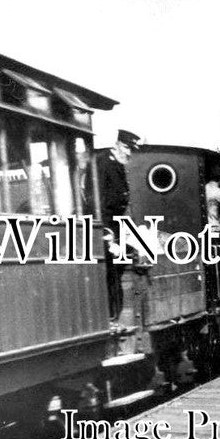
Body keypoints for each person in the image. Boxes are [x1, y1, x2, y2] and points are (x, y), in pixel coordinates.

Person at [95, 129, 142, 318]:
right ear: (117, 145)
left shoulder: (119, 164)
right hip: (106, 230)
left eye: (131, 149)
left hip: (116, 227)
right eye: (126, 147)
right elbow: (97, 200)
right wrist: (107, 235)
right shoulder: (104, 164)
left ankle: (118, 314)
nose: (129, 153)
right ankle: (112, 316)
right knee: (111, 272)